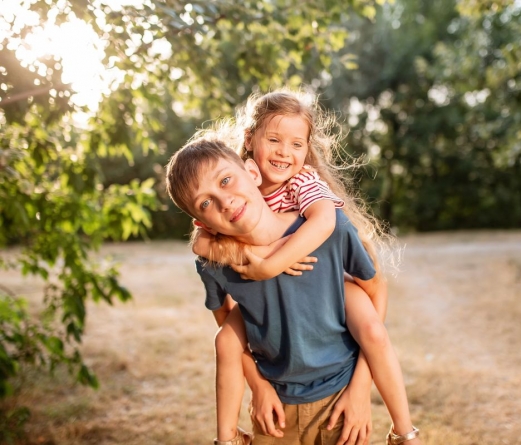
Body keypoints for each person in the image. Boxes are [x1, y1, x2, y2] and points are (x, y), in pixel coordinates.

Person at [165, 95, 419, 445]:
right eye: (274, 140)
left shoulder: (304, 184)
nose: (284, 152)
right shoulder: (232, 190)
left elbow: (325, 222)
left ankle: (405, 433)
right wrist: (257, 382)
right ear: (250, 141)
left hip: (329, 283)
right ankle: (226, 439)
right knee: (225, 340)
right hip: (273, 343)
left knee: (373, 332)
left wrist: (272, 261)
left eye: (296, 144)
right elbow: (201, 246)